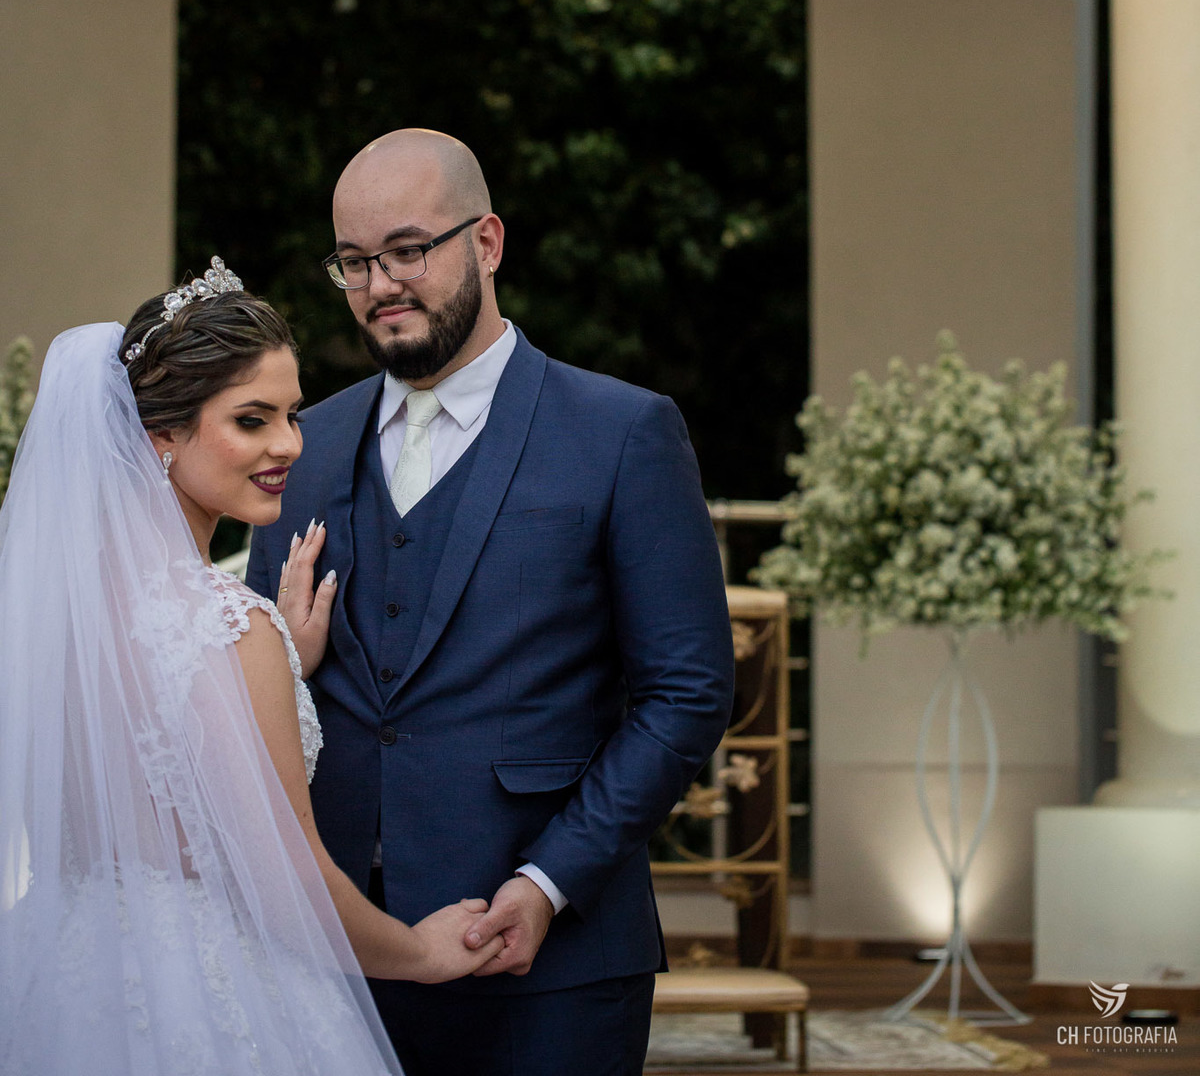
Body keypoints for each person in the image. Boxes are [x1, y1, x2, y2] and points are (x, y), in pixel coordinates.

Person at [247, 128, 736, 1076]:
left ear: (488, 242)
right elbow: (261, 693)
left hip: (555, 966)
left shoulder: (623, 432)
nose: (381, 283)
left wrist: (549, 883)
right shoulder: (298, 447)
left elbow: (688, 694)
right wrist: (291, 670)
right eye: (354, 262)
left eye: (408, 249)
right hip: (338, 957)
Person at [0, 264, 503, 1076]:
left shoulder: (54, 617)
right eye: (251, 419)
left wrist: (282, 672)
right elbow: (286, 882)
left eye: (292, 415)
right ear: (160, 437)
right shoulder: (231, 628)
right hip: (209, 994)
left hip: (57, 979)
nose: (288, 446)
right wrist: (419, 952)